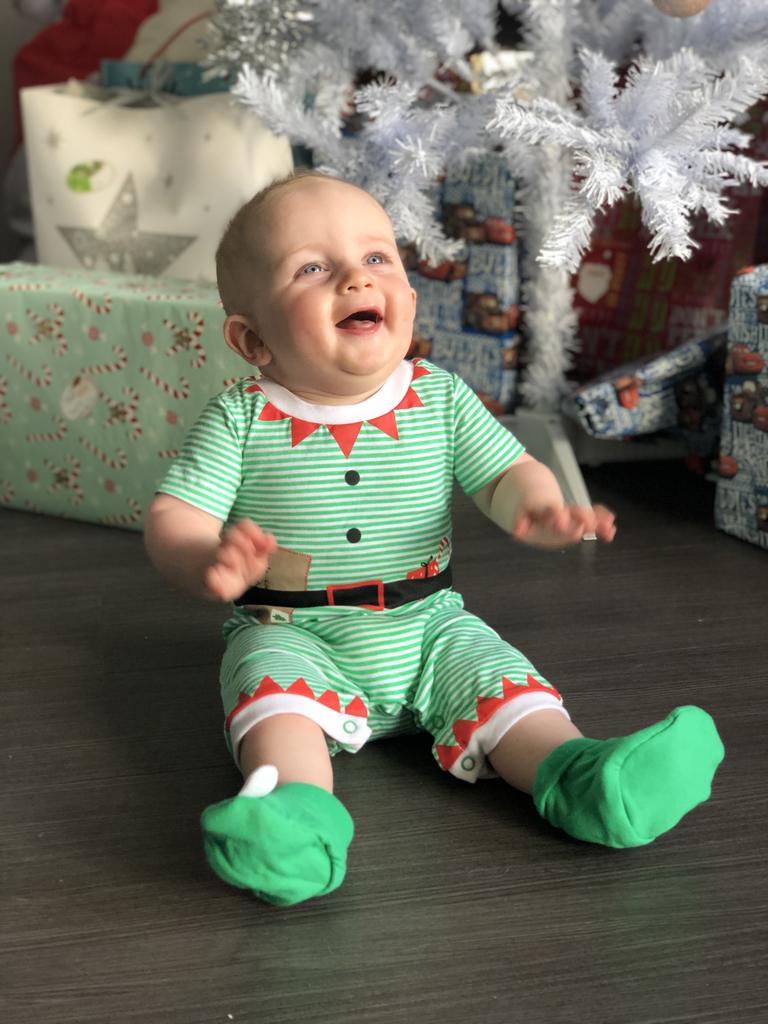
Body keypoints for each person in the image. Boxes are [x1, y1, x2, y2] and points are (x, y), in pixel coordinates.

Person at [143, 170, 724, 907]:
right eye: (313, 268)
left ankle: (584, 778)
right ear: (251, 337)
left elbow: (507, 471)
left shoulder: (440, 398)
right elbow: (177, 517)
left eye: (379, 257)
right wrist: (206, 561)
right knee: (274, 701)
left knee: (501, 686)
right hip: (294, 629)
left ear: (410, 301)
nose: (357, 275)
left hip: (428, 623)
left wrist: (537, 506)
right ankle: (296, 814)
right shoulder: (240, 419)